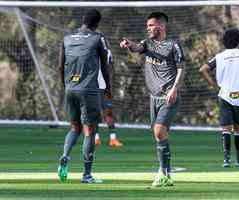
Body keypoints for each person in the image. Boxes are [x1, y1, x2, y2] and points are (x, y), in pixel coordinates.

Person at [120, 12, 185, 187]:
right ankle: (166, 174)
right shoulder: (147, 44)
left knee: (159, 131)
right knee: (159, 136)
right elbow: (137, 48)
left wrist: (174, 89)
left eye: (151, 25)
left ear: (161, 26)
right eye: (147, 25)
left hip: (169, 97)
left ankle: (163, 173)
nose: (148, 28)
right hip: (153, 98)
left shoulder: (173, 45)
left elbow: (180, 68)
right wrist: (128, 45)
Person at [58, 9, 111, 183]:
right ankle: (87, 175)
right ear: (97, 23)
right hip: (88, 90)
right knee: (90, 131)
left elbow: (60, 66)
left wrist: (65, 85)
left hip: (70, 89)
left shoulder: (67, 38)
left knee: (74, 128)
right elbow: (104, 66)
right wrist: (108, 88)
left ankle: (65, 156)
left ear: (82, 20)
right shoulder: (98, 38)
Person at [199, 28, 239, 168]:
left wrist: (212, 84)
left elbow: (203, 69)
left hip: (224, 95)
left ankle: (226, 160)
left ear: (224, 41)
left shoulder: (219, 57)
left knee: (225, 129)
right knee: (238, 129)